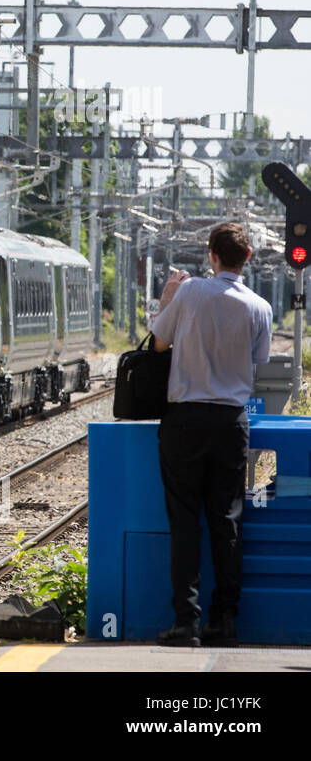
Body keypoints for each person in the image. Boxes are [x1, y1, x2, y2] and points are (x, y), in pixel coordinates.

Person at [149, 222, 272, 647]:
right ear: (249, 258)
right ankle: (225, 621)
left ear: (211, 255)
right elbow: (258, 362)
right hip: (231, 424)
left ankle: (185, 623)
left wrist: (166, 298)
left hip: (185, 420)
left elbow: (159, 344)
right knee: (228, 522)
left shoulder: (190, 291)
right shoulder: (259, 306)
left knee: (184, 522)